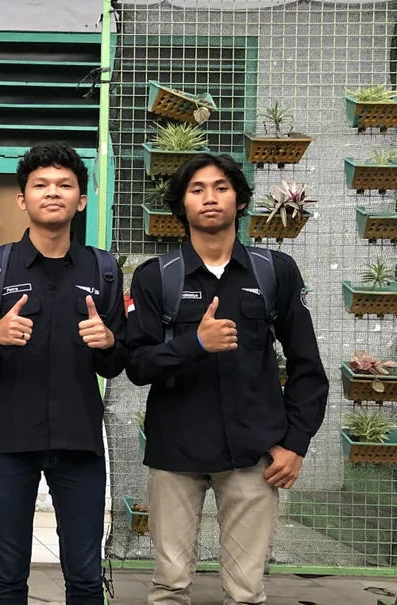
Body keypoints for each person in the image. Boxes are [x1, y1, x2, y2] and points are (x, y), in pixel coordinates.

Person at [125, 153, 328, 605]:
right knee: (169, 585)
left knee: (246, 591)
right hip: (176, 452)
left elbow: (308, 367)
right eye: (196, 190)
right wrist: (194, 343)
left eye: (221, 187)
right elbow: (136, 365)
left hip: (254, 456)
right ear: (181, 205)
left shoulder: (274, 272)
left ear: (239, 199)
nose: (210, 198)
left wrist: (295, 443)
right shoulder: (156, 278)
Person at [0, 143, 125, 605]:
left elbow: (118, 363)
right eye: (41, 185)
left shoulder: (104, 271)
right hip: (10, 442)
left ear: (81, 200)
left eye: (65, 185)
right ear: (22, 199)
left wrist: (109, 341)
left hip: (80, 443)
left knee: (85, 576)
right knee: (8, 573)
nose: (53, 193)